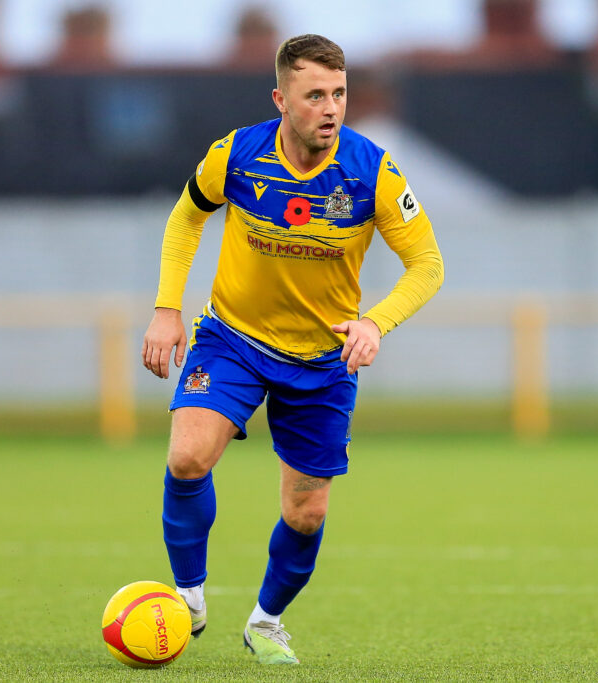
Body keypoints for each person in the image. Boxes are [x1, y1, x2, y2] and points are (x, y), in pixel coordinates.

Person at [141, 33, 444, 665]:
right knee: (189, 457)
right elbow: (185, 218)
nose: (331, 108)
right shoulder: (236, 154)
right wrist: (168, 309)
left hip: (322, 361)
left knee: (306, 513)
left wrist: (375, 323)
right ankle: (188, 598)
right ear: (282, 99)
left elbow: (427, 266)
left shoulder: (373, 172)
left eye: (339, 94)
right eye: (315, 96)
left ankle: (266, 622)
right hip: (234, 340)